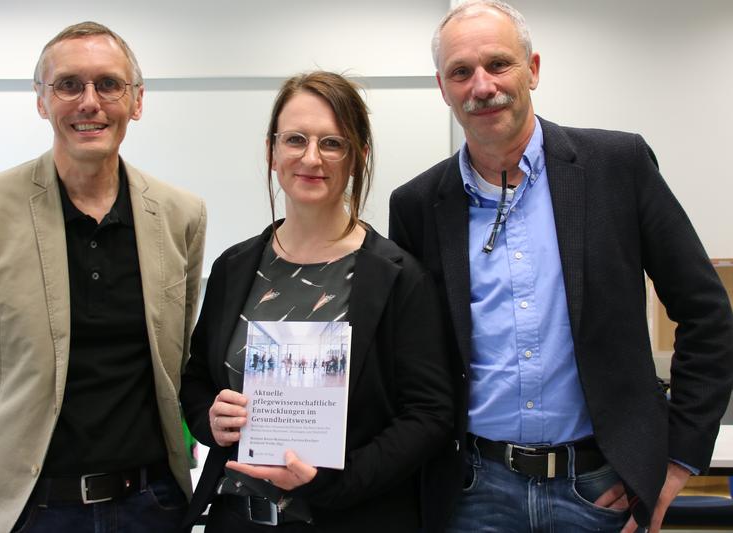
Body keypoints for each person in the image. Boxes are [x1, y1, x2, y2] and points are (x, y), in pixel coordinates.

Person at [388, 2, 733, 532]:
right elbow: (414, 361)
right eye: (461, 72)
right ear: (443, 87)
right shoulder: (417, 205)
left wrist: (675, 458)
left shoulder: (618, 166)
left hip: (600, 487)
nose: (482, 86)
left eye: (499, 64)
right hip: (473, 492)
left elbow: (708, 313)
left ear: (534, 69)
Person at [0, 21, 207, 533]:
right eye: (68, 85)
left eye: (108, 84)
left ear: (137, 101)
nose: (89, 102)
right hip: (26, 511)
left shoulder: (180, 215)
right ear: (41, 100)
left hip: (153, 504)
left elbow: (175, 363)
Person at [180, 71, 453, 532]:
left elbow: (429, 414)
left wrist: (333, 481)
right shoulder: (234, 267)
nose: (311, 157)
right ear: (271, 151)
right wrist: (211, 420)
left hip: (350, 517)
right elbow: (196, 380)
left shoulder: (399, 276)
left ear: (359, 157)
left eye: (333, 143)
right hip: (237, 520)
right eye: (295, 139)